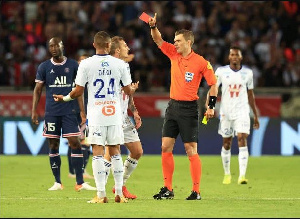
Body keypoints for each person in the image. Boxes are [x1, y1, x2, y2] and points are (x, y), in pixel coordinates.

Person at [53, 31, 139, 204]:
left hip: (97, 113)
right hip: (115, 113)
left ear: (94, 45)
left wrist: (65, 97)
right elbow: (128, 90)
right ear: (109, 45)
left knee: (98, 152)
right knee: (115, 151)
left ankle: (101, 194)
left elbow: (78, 91)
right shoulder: (121, 65)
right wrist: (132, 90)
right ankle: (119, 194)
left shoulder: (86, 64)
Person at [148, 13, 218, 200]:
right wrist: (153, 27)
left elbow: (213, 84)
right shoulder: (172, 53)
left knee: (190, 150)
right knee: (165, 146)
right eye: (174, 41)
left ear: (188, 42)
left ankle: (196, 191)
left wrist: (211, 106)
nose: (175, 43)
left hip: (188, 109)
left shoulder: (201, 62)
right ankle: (168, 189)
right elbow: (158, 40)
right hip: (172, 107)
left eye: (178, 41)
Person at [31, 37, 96, 192]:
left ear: (62, 46)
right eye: (50, 46)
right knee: (53, 145)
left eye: (56, 45)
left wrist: (82, 111)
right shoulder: (44, 67)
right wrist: (34, 110)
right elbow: (38, 89)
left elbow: (79, 91)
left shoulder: (73, 65)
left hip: (69, 111)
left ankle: (80, 182)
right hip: (52, 112)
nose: (53, 48)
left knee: (75, 143)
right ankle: (57, 182)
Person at [207, 45, 260, 185]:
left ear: (241, 57)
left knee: (242, 138)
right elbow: (213, 89)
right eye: (232, 55)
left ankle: (242, 176)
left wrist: (255, 114)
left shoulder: (248, 73)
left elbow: (250, 94)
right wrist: (210, 107)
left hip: (242, 111)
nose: (234, 57)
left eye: (237, 55)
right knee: (227, 143)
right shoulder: (221, 71)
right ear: (229, 57)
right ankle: (227, 174)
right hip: (226, 112)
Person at [103, 36, 143, 199]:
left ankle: (120, 185)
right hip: (111, 115)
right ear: (118, 50)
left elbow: (127, 92)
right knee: (110, 153)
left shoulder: (125, 66)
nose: (129, 48)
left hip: (123, 116)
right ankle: (101, 190)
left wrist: (134, 110)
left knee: (137, 151)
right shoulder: (108, 67)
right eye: (126, 45)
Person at [67, 53, 94, 180]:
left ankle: (81, 170)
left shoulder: (92, 78)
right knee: (73, 141)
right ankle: (72, 171)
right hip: (73, 112)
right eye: (80, 61)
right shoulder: (71, 77)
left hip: (89, 113)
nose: (81, 63)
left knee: (87, 142)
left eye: (84, 61)